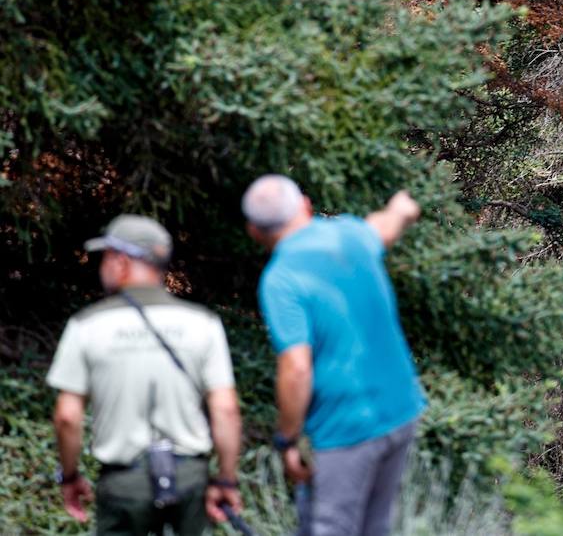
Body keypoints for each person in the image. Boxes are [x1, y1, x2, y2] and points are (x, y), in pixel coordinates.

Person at [241, 174, 425, 536]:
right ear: (306, 206)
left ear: (254, 231)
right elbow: (385, 225)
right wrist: (402, 207)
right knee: (375, 526)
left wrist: (288, 439)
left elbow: (296, 367)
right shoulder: (348, 234)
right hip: (401, 411)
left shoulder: (281, 279)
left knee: (332, 528)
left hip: (346, 427)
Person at [46, 214, 243, 536]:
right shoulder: (203, 323)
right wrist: (225, 479)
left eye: (106, 257)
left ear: (121, 262)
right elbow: (226, 409)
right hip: (189, 477)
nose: (102, 267)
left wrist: (70, 476)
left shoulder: (87, 326)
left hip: (124, 481)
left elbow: (68, 416)